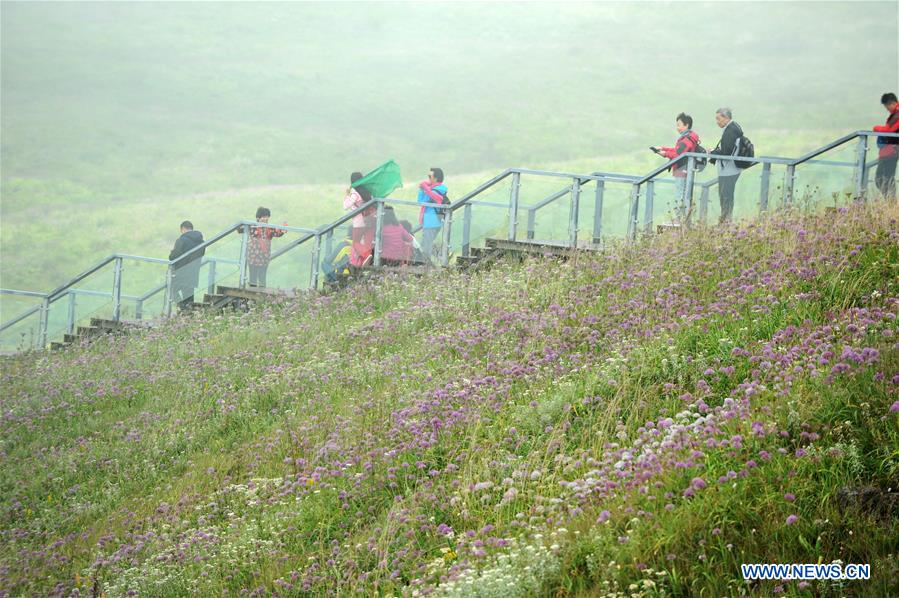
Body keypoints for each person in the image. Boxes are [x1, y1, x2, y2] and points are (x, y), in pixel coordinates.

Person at [653, 112, 701, 219]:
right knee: (682, 193)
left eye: (679, 124)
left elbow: (677, 154)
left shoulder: (687, 140)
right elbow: (677, 150)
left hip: (682, 170)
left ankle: (680, 219)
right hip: (683, 169)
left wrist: (664, 154)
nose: (677, 128)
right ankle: (682, 218)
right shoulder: (688, 138)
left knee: (680, 194)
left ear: (686, 125)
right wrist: (663, 148)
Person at [709, 108, 744, 224]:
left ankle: (725, 223)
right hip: (734, 168)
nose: (717, 121)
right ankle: (726, 221)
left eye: (718, 118)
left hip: (728, 170)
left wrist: (712, 152)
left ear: (726, 118)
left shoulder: (730, 130)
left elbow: (726, 153)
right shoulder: (735, 127)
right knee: (728, 195)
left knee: (725, 196)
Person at [241, 207, 286, 287]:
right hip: (253, 256)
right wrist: (241, 225)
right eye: (263, 217)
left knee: (262, 278)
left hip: (264, 257)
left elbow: (278, 233)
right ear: (258, 218)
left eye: (267, 217)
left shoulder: (270, 228)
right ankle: (252, 295)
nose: (265, 219)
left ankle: (260, 296)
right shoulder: (252, 226)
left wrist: (284, 228)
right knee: (253, 279)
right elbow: (240, 229)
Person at [168, 221, 205, 311]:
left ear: (183, 228)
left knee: (172, 290)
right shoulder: (201, 242)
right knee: (189, 296)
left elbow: (172, 257)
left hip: (180, 272)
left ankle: (181, 308)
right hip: (193, 273)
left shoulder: (182, 240)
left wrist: (172, 252)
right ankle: (188, 314)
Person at [344, 172, 375, 267]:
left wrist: (347, 195)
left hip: (359, 221)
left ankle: (366, 257)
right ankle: (370, 261)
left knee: (356, 242)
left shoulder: (355, 193)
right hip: (370, 220)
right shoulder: (368, 191)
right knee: (368, 243)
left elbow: (345, 206)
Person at [417, 167, 448, 263]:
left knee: (426, 245)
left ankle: (426, 264)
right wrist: (422, 190)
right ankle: (440, 253)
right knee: (426, 243)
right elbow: (421, 201)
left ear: (436, 178)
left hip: (433, 222)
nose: (428, 179)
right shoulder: (431, 189)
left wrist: (426, 188)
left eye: (430, 176)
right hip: (428, 221)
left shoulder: (440, 189)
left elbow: (438, 199)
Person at [872, 92, 899, 200]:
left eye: (886, 106)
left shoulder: (897, 114)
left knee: (883, 178)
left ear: (891, 103)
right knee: (885, 177)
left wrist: (876, 128)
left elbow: (889, 130)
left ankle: (891, 202)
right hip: (891, 151)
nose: (887, 109)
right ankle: (890, 202)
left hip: (893, 151)